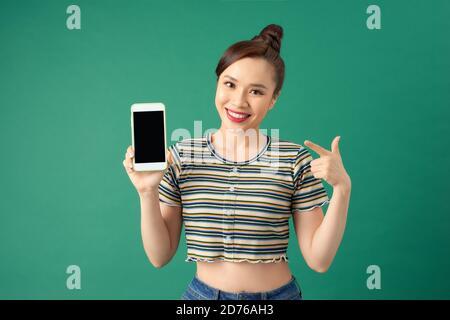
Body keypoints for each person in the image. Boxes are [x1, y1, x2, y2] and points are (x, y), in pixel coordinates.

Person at [122, 24, 351, 300]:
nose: (239, 101)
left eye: (256, 91)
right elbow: (159, 257)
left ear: (273, 99)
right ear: (217, 84)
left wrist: (342, 189)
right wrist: (147, 192)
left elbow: (319, 260)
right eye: (230, 84)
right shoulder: (180, 157)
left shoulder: (294, 160)